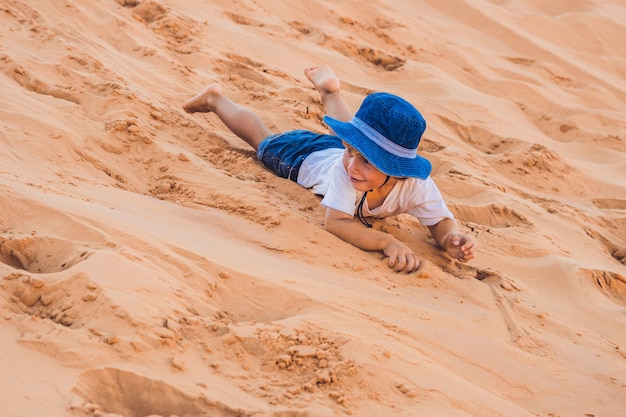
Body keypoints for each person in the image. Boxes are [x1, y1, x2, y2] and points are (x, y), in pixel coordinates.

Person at [183, 65, 476, 273]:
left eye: (367, 161)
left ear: (399, 170)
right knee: (262, 142)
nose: (353, 166)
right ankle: (215, 99)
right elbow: (336, 222)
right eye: (353, 153)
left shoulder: (416, 185)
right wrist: (387, 242)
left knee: (345, 140)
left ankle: (330, 91)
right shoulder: (347, 171)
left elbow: (440, 220)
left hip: (331, 150)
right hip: (301, 157)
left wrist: (450, 239)